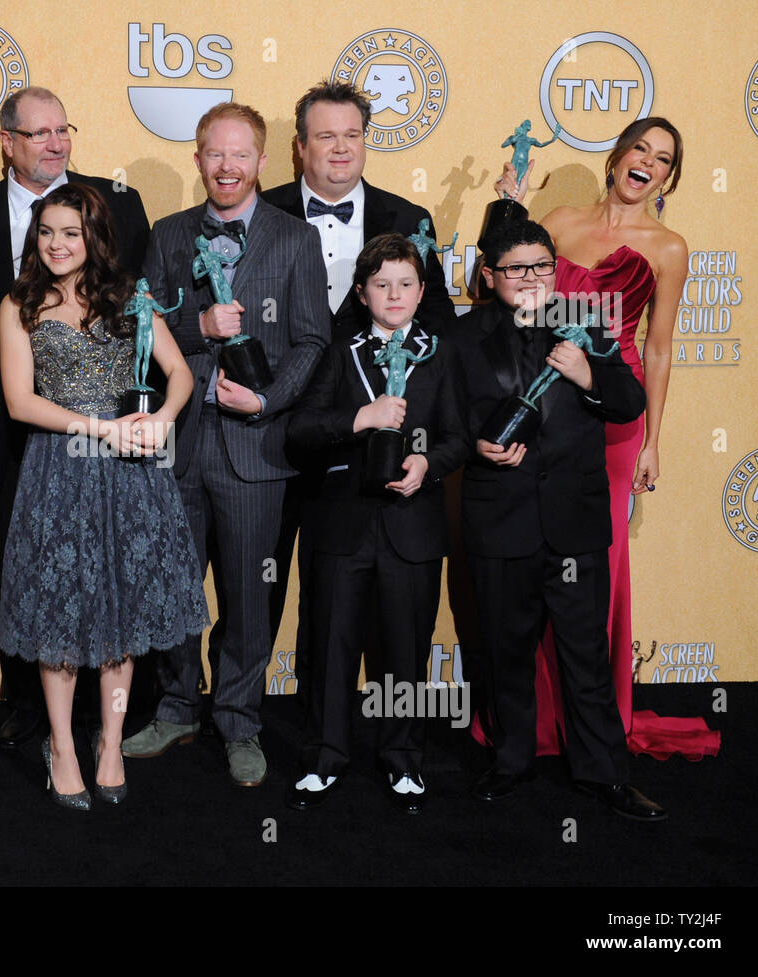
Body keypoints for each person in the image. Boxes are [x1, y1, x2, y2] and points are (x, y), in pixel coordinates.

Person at [493, 117, 717, 759]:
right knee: (534, 553)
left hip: (615, 419)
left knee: (599, 570)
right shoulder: (559, 220)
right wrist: (510, 207)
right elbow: (511, 286)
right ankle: (531, 723)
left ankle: (595, 724)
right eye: (639, 148)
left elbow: (661, 345)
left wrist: (652, 439)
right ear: (617, 157)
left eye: (663, 158)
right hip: (542, 402)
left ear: (669, 177)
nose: (647, 162)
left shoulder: (669, 247)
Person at [121, 103, 328, 787]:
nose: (228, 166)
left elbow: (312, 339)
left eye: (241, 154)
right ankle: (179, 704)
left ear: (265, 161)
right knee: (177, 587)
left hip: (255, 448)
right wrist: (196, 322)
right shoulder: (168, 234)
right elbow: (140, 329)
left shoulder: (295, 239)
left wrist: (269, 399)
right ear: (198, 158)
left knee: (249, 593)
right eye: (215, 153)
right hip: (178, 443)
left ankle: (239, 718)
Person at [0, 86, 150, 750]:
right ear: (7, 142)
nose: (56, 143)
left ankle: (100, 715)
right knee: (20, 568)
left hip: (99, 432)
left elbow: (136, 323)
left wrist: (135, 417)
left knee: (102, 570)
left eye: (64, 129)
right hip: (4, 431)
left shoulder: (116, 204)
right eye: (40, 134)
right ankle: (29, 704)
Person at [0, 183, 206, 809]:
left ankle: (109, 742)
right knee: (60, 612)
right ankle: (61, 744)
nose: (58, 245)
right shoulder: (19, 304)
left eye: (71, 232)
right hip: (59, 469)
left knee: (120, 612)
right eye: (47, 232)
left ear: (93, 237)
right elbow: (18, 402)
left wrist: (163, 418)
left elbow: (182, 375)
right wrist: (99, 426)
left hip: (129, 475)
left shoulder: (129, 297)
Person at [455, 216, 665, 820]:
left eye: (542, 267)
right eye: (517, 269)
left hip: (573, 522)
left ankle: (604, 775)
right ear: (490, 275)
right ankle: (511, 761)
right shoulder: (464, 336)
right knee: (504, 651)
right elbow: (446, 417)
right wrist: (476, 447)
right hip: (501, 520)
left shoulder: (590, 320)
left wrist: (588, 374)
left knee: (584, 655)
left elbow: (628, 403)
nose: (532, 280)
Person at [260, 81, 457, 702]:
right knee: (260, 588)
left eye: (352, 135)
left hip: (368, 446)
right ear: (300, 148)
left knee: (350, 595)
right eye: (325, 137)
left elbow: (441, 326)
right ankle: (247, 723)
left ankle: (353, 730)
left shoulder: (409, 218)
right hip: (266, 430)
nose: (340, 149)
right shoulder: (261, 213)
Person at [285, 233, 467, 812]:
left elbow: (460, 436)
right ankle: (323, 757)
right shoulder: (338, 353)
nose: (395, 294)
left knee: (405, 654)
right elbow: (301, 431)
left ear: (421, 292)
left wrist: (427, 464)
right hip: (342, 527)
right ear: (361, 292)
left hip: (412, 528)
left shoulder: (441, 353)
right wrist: (360, 418)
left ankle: (403, 761)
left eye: (406, 284)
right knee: (332, 647)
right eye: (382, 284)